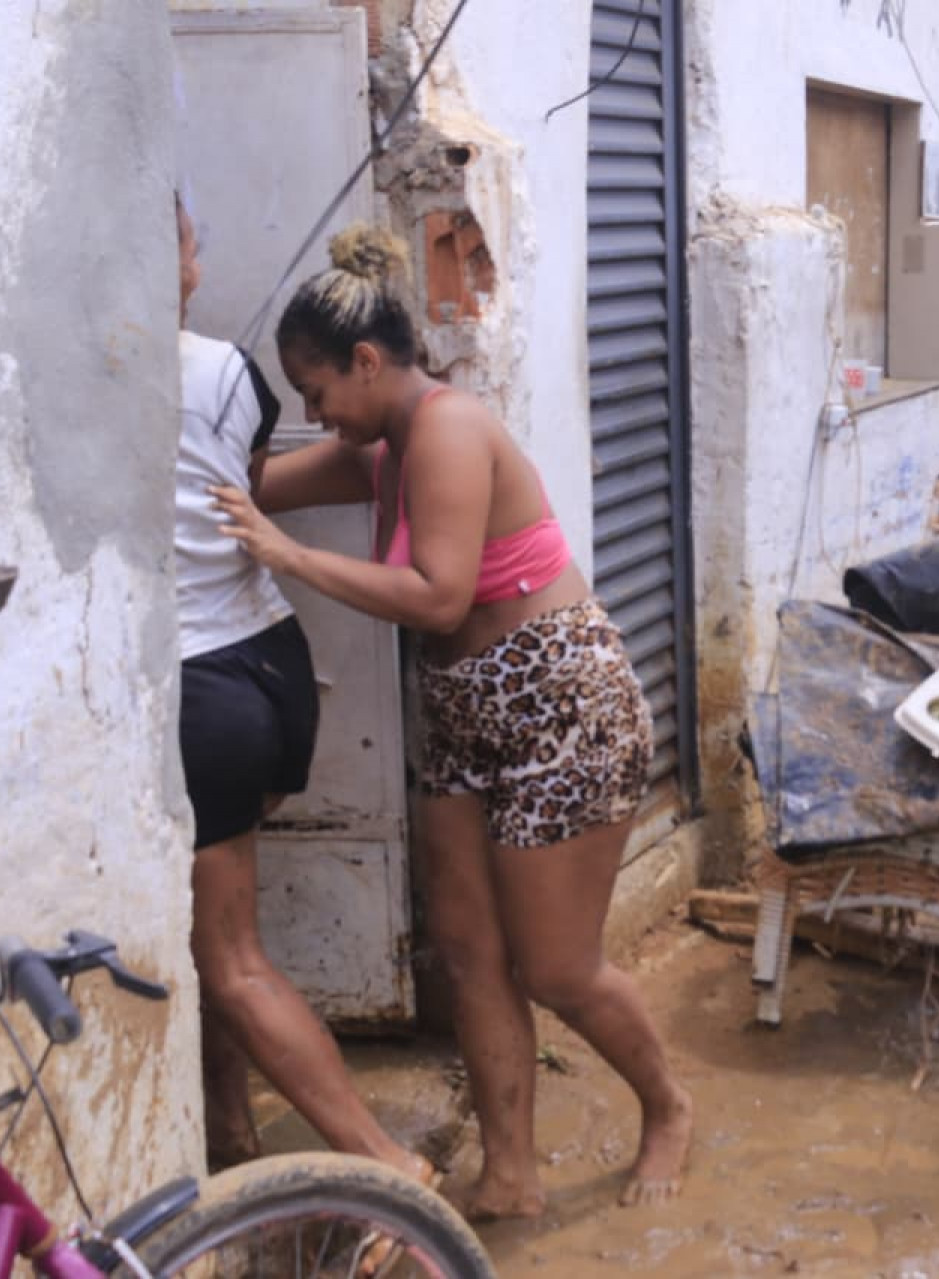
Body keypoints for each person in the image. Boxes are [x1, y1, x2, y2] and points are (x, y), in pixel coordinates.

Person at [211, 225, 693, 1216]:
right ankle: (511, 1173)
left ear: (367, 360)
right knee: (470, 956)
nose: (312, 414)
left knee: (558, 966)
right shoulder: (381, 449)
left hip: (563, 711)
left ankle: (668, 1106)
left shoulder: (449, 430)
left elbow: (438, 596)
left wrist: (288, 558)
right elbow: (251, 491)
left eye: (316, 391)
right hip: (465, 716)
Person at [174, 198, 435, 1189]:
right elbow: (240, 490)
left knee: (230, 956)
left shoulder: (81, 378)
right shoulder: (231, 374)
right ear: (184, 269)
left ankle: (389, 1168)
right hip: (271, 669)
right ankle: (230, 1126)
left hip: (200, 687)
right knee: (217, 925)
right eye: (194, 246)